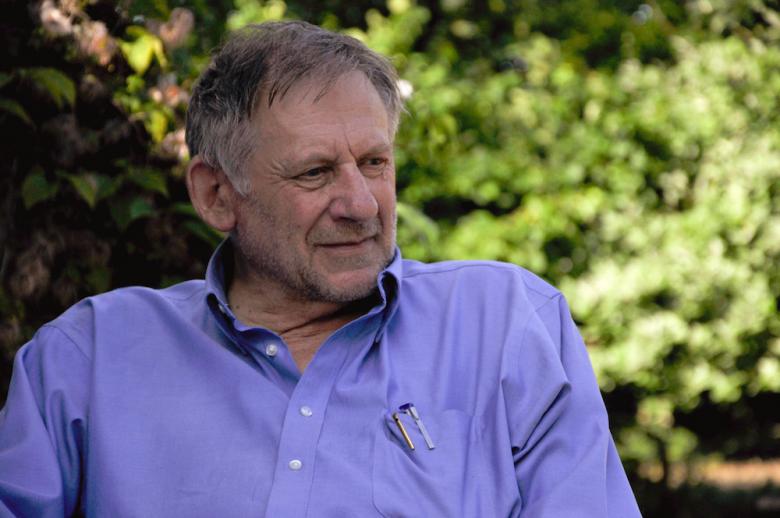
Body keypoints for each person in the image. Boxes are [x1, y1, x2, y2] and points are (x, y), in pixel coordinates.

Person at [0, 21, 641, 517]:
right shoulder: (86, 361)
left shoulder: (505, 326)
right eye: (314, 172)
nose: (361, 205)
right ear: (216, 195)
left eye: (375, 164)